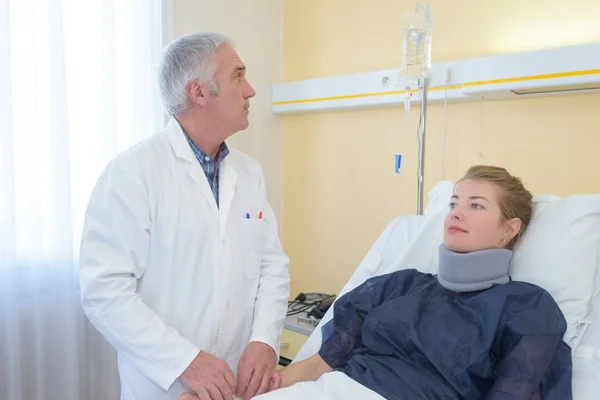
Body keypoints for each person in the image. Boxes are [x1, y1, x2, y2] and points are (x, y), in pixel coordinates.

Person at [78, 32, 290, 400]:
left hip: (237, 382)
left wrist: (264, 340)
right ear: (199, 92)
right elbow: (104, 290)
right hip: (165, 385)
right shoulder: (132, 174)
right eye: (237, 76)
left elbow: (272, 265)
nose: (251, 90)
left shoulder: (249, 173)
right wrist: (185, 361)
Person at [252, 165, 572, 400]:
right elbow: (317, 366)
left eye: (475, 205)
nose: (456, 213)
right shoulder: (400, 286)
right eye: (453, 203)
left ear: (510, 228)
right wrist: (250, 393)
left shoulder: (526, 307)